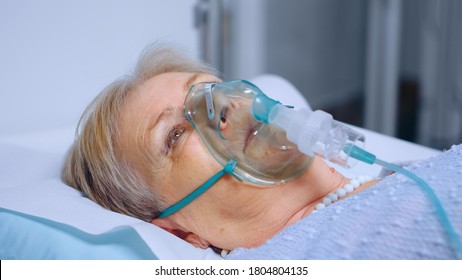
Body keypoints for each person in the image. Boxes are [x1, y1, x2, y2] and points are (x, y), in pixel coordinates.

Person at [62, 43, 461, 259]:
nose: (225, 106)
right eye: (176, 134)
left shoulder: (404, 172)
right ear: (179, 230)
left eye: (212, 88)